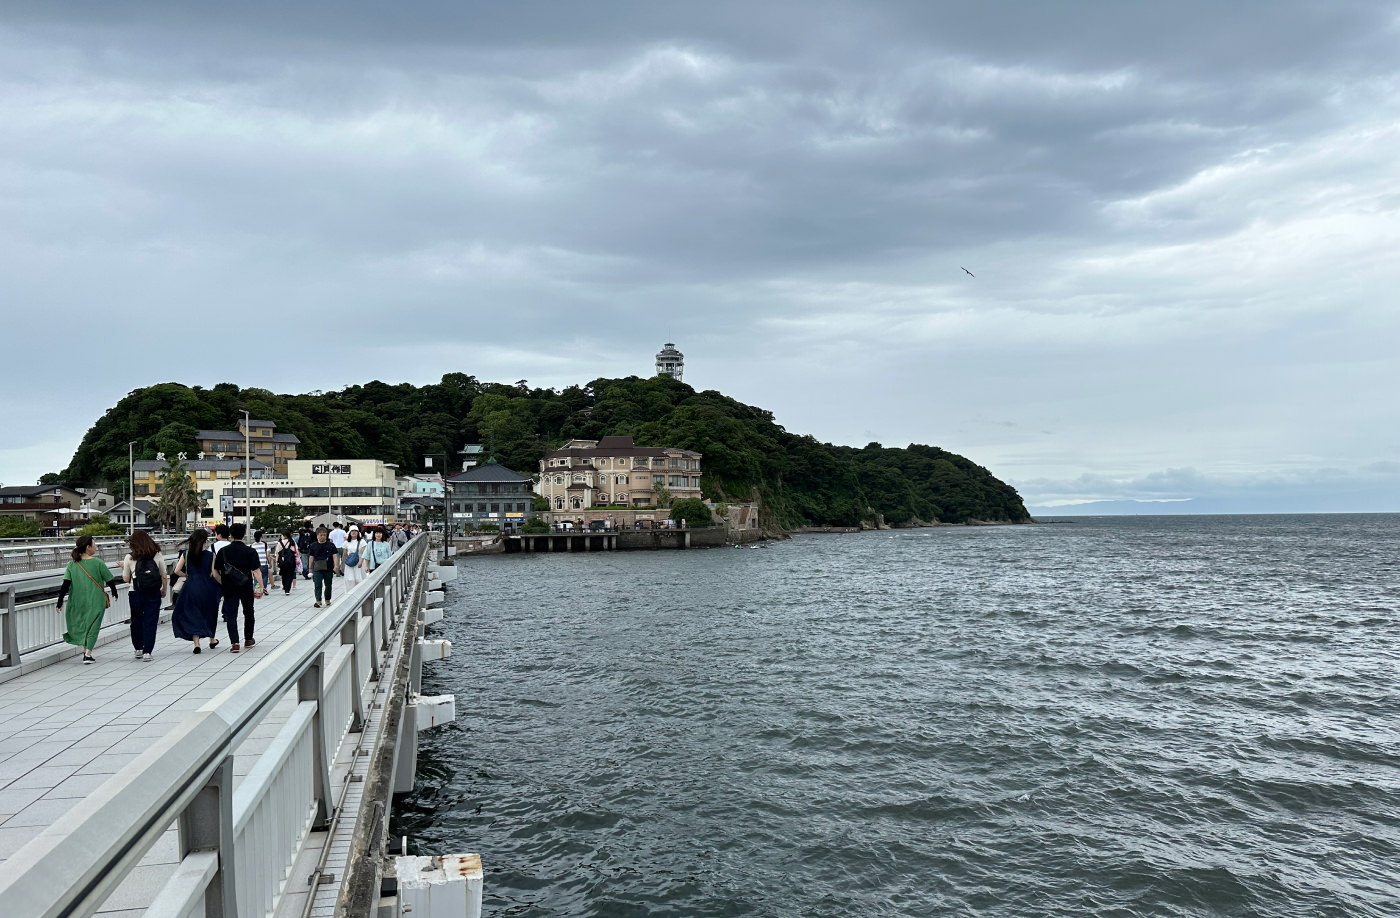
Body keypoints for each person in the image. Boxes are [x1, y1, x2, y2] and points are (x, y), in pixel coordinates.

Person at [55, 535, 120, 663]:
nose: (96, 547)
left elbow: (65, 585)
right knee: (93, 626)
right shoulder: (98, 563)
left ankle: (86, 652)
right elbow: (109, 580)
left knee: (83, 625)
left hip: (77, 601)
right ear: (88, 547)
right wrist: (114, 592)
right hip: (96, 600)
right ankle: (88, 654)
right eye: (94, 544)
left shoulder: (72, 564)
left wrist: (60, 601)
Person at [211, 522, 263, 653]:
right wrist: (261, 587)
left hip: (229, 587)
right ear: (244, 534)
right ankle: (248, 639)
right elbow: (256, 571)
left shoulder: (223, 551)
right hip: (245, 586)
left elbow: (215, 571)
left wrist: (222, 582)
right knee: (249, 612)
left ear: (231, 534)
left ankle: (234, 643)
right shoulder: (251, 551)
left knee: (231, 615)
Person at [120, 530, 167, 662]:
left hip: (135, 592)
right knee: (150, 621)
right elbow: (163, 574)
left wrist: (122, 567)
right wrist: (164, 589)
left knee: (136, 620)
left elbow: (125, 578)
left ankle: (138, 649)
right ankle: (148, 652)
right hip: (153, 592)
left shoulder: (129, 557)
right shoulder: (156, 554)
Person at [172, 529, 220, 653]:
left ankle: (196, 644)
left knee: (193, 614)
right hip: (207, 587)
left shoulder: (186, 554)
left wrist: (187, 575)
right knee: (209, 612)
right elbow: (214, 573)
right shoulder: (211, 555)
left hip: (191, 587)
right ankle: (212, 639)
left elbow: (176, 571)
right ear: (205, 541)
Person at [306, 527, 340, 608]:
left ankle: (327, 599)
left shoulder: (331, 545)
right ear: (317, 535)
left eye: (324, 535)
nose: (323, 537)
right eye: (321, 535)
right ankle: (318, 600)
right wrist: (310, 568)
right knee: (318, 584)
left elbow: (335, 556)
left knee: (328, 584)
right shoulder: (313, 545)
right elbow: (311, 557)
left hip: (328, 567)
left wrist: (336, 566)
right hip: (317, 568)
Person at [275, 530, 299, 594]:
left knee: (284, 574)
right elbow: (296, 551)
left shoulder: (280, 543)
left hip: (282, 561)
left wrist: (276, 562)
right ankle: (287, 589)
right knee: (290, 574)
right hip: (291, 561)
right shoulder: (292, 541)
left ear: (284, 535)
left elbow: (277, 553)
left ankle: (285, 586)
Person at [252, 529, 271, 596]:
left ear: (254, 537)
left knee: (256, 577)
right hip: (263, 563)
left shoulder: (252, 545)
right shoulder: (265, 544)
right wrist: (269, 563)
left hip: (255, 564)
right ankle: (264, 588)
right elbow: (268, 555)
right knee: (265, 576)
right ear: (261, 537)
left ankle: (257, 591)